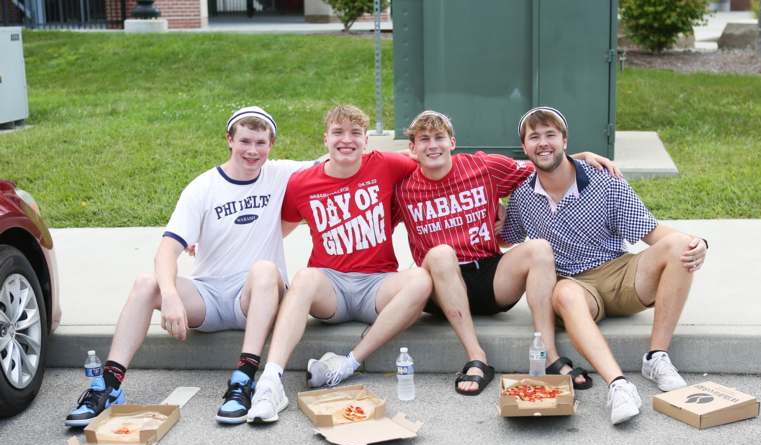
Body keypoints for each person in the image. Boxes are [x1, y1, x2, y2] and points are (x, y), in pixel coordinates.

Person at [66, 106, 316, 426]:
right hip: (208, 296)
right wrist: (170, 296)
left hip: (254, 297)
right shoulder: (203, 187)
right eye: (245, 141)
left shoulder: (282, 173)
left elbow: (339, 157)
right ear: (229, 140)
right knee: (147, 283)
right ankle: (109, 385)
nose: (252, 151)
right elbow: (167, 250)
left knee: (266, 269)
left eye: (260, 143)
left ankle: (243, 379)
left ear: (272, 145)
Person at [501, 106, 708, 424]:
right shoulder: (522, 195)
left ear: (565, 140)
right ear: (525, 146)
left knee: (682, 244)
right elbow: (506, 239)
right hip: (572, 285)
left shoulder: (604, 182)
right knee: (566, 294)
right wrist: (491, 219)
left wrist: (699, 244)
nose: (543, 143)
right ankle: (619, 385)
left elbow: (653, 233)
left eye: (550, 135)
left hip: (619, 273)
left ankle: (657, 357)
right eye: (534, 137)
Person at [393, 110, 620, 395]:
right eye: (423, 140)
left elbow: (543, 166)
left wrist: (581, 157)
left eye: (439, 137)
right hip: (439, 286)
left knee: (539, 248)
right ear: (412, 148)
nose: (432, 145)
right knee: (441, 254)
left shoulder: (483, 167)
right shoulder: (401, 185)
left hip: (490, 277)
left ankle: (549, 354)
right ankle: (476, 358)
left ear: (453, 142)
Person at [246, 105, 432, 423]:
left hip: (377, 284)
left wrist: (495, 208)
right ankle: (270, 382)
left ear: (366, 141)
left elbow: (433, 163)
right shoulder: (302, 183)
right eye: (338, 132)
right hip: (330, 287)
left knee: (420, 279)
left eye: (355, 133)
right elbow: (277, 231)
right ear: (325, 139)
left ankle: (346, 363)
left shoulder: (387, 165)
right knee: (304, 277)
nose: (347, 140)